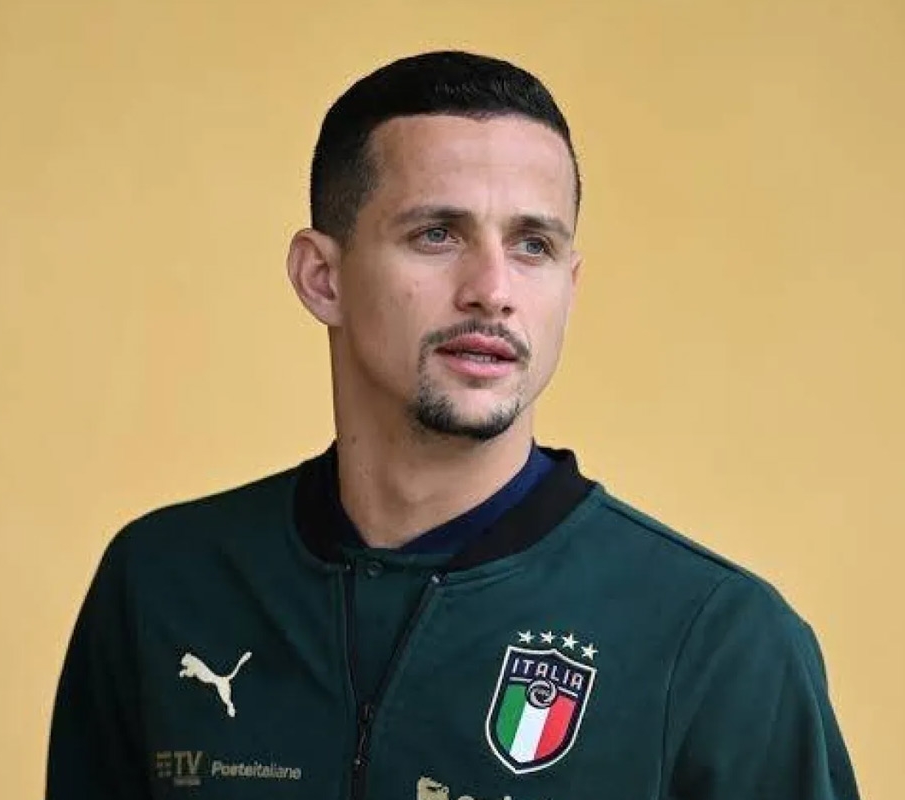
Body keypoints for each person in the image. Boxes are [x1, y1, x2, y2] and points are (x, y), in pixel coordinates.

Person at [46, 50, 861, 800]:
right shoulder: (164, 584)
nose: (493, 290)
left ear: (570, 286)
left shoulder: (721, 640)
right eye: (437, 235)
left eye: (533, 245)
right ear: (322, 277)